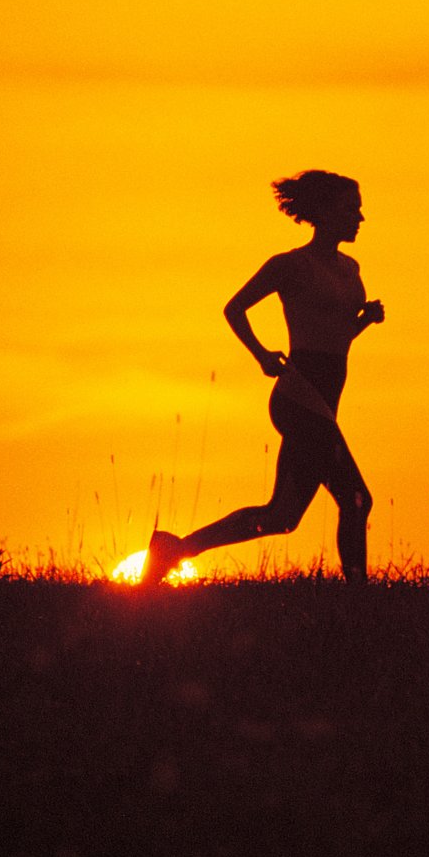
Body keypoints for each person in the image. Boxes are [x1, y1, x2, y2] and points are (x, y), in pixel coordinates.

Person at [142, 170, 384, 583]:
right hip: (299, 394)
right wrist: (260, 355)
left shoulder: (351, 268)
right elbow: (234, 308)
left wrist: (364, 322)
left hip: (326, 398)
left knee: (282, 516)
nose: (359, 218)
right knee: (357, 499)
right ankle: (360, 596)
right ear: (323, 212)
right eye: (350, 209)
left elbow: (335, 338)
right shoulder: (290, 265)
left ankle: (174, 549)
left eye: (359, 209)